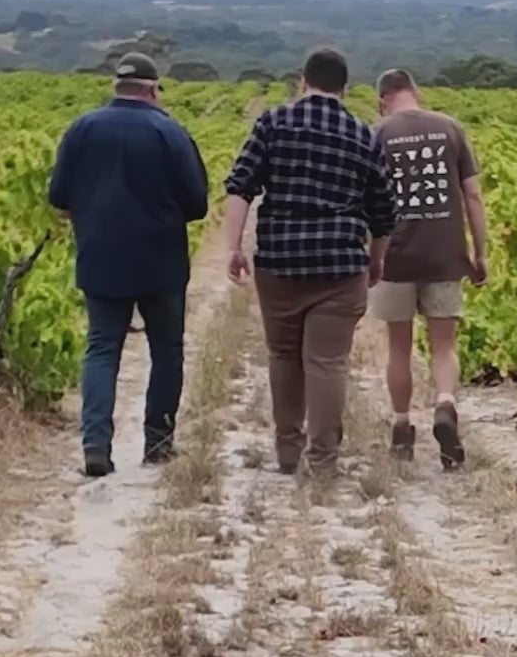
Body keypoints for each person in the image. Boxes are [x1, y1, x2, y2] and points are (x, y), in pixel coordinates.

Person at [223, 46, 396, 478]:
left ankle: (287, 450)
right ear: (345, 88)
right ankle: (322, 461)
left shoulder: (273, 122)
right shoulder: (362, 135)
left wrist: (233, 247)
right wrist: (376, 261)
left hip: (280, 261)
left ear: (303, 81)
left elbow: (240, 186)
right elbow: (383, 213)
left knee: (283, 354)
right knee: (327, 362)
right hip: (339, 264)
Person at [47, 52, 209, 477]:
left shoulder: (82, 129)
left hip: (101, 256)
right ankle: (158, 443)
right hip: (161, 260)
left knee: (102, 349)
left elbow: (58, 197)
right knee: (166, 350)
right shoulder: (170, 132)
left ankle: (96, 445)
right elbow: (197, 204)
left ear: (116, 87)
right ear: (153, 90)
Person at [370, 69, 488, 469]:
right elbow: (472, 194)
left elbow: (367, 199)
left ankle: (402, 427)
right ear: (415, 92)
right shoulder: (450, 128)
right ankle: (445, 404)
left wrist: (368, 254)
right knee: (444, 345)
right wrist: (480, 253)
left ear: (382, 100)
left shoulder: (378, 134)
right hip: (444, 253)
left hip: (394, 257)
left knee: (398, 346)